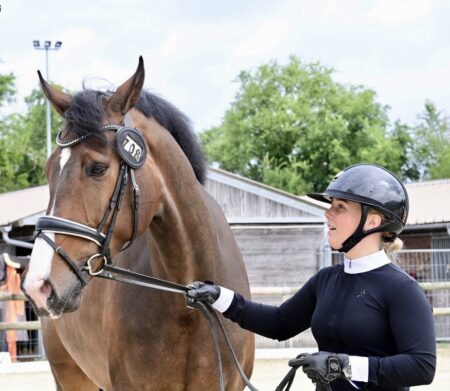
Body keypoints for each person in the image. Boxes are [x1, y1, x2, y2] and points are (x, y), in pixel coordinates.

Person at [186, 163, 436, 391]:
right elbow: (279, 324)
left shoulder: (402, 289)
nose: (328, 214)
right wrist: (220, 297)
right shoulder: (326, 280)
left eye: (340, 207)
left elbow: (422, 366)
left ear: (372, 221)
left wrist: (341, 365)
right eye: (331, 205)